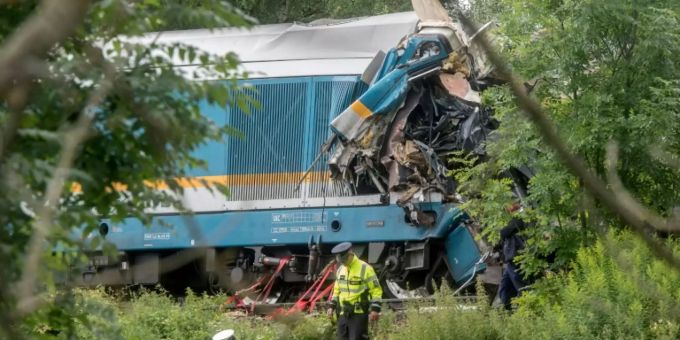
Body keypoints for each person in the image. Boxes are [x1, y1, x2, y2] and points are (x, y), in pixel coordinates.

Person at [326, 242, 382, 340]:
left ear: (350, 254)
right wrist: (331, 306)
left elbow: (376, 290)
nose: (343, 263)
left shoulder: (365, 268)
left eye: (344, 260)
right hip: (343, 313)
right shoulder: (340, 270)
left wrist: (375, 309)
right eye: (340, 261)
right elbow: (337, 291)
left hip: (359, 313)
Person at [498, 203, 527, 311]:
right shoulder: (514, 220)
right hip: (510, 260)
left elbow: (504, 232)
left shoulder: (520, 218)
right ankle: (506, 310)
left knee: (521, 287)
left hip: (517, 259)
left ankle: (526, 310)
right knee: (504, 287)